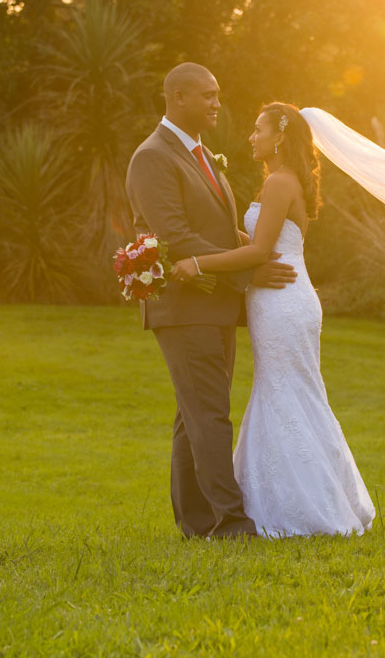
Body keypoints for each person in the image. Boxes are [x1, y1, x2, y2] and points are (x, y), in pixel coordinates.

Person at [171, 102, 376, 538]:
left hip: (284, 300)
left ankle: (305, 508)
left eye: (258, 129)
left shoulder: (281, 182)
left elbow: (261, 252)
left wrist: (199, 263)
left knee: (287, 392)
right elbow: (256, 240)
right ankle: (293, 499)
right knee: (287, 390)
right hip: (277, 298)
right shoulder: (277, 182)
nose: (251, 136)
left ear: (279, 136)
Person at [124, 63, 297, 539]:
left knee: (194, 413)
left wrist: (257, 246)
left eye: (218, 94)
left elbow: (215, 229)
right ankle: (232, 523)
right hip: (185, 305)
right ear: (178, 98)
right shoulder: (153, 157)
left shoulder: (201, 154)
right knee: (209, 413)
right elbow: (174, 237)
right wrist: (248, 266)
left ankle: (197, 520)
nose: (217, 103)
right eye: (208, 95)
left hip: (213, 302)